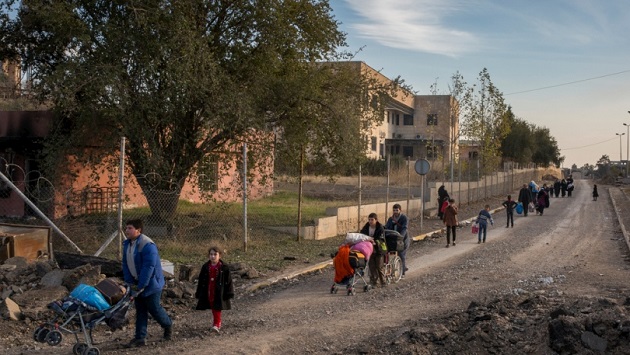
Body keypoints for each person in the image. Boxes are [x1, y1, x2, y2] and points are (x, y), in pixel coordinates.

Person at [122, 219, 173, 348]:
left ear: (138, 230)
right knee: (140, 310)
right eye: (126, 228)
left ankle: (168, 325)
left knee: (154, 309)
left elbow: (148, 267)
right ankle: (140, 338)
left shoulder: (147, 245)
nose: (126, 230)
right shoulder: (127, 244)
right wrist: (129, 282)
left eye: (130, 228)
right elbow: (125, 264)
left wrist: (141, 285)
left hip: (152, 284)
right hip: (137, 283)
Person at [195, 246, 234, 333]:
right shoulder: (205, 267)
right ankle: (216, 322)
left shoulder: (224, 268)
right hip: (209, 289)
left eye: (215, 254)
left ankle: (217, 324)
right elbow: (201, 280)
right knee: (212, 305)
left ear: (219, 256)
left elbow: (229, 281)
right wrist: (199, 292)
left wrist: (229, 292)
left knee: (217, 305)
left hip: (218, 290)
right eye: (211, 254)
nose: (213, 256)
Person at [361, 212, 386, 287]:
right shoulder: (366, 227)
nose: (370, 221)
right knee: (371, 266)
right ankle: (374, 282)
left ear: (376, 220)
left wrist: (375, 242)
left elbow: (381, 239)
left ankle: (383, 281)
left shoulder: (380, 228)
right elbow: (362, 234)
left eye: (372, 220)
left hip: (379, 249)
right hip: (370, 249)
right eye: (369, 220)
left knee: (379, 266)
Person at [385, 204, 410, 276]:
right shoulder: (391, 219)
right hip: (394, 239)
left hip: (403, 239)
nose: (395, 212)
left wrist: (401, 236)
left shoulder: (404, 218)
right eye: (394, 210)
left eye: (397, 210)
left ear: (400, 210)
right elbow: (387, 227)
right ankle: (398, 268)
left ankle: (402, 272)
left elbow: (404, 228)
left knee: (401, 254)